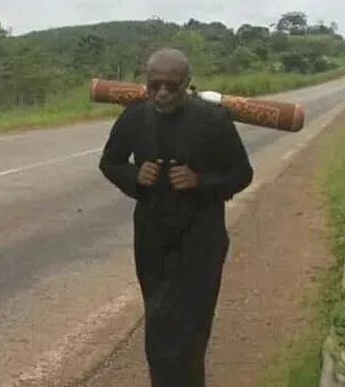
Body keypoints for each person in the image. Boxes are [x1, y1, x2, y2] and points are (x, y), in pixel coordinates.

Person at [98, 48, 254, 386]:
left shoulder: (212, 120)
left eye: (172, 86)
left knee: (192, 326)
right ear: (146, 83)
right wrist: (134, 176)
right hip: (153, 236)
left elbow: (241, 174)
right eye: (155, 86)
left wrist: (201, 182)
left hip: (202, 235)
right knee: (158, 319)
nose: (163, 94)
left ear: (187, 84)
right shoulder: (135, 117)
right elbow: (110, 162)